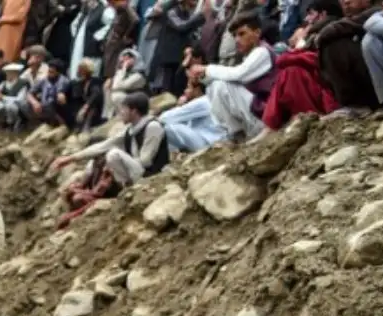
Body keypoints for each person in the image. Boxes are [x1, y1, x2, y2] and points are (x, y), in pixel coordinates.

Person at [48, 91, 167, 225]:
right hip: (137, 171)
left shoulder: (152, 126)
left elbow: (146, 160)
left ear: (134, 111)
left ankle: (129, 188)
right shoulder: (130, 130)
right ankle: (125, 190)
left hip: (152, 174)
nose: (121, 113)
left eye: (124, 109)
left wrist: (123, 160)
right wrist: (70, 159)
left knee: (113, 154)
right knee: (110, 152)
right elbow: (102, 146)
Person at [194, 14, 273, 139]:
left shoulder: (262, 51)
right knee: (212, 86)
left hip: (266, 117)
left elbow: (238, 74)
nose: (237, 40)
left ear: (257, 33)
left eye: (242, 34)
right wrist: (204, 75)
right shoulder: (250, 55)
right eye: (235, 35)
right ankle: (235, 134)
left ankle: (236, 134)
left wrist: (207, 69)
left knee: (220, 85)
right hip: (258, 115)